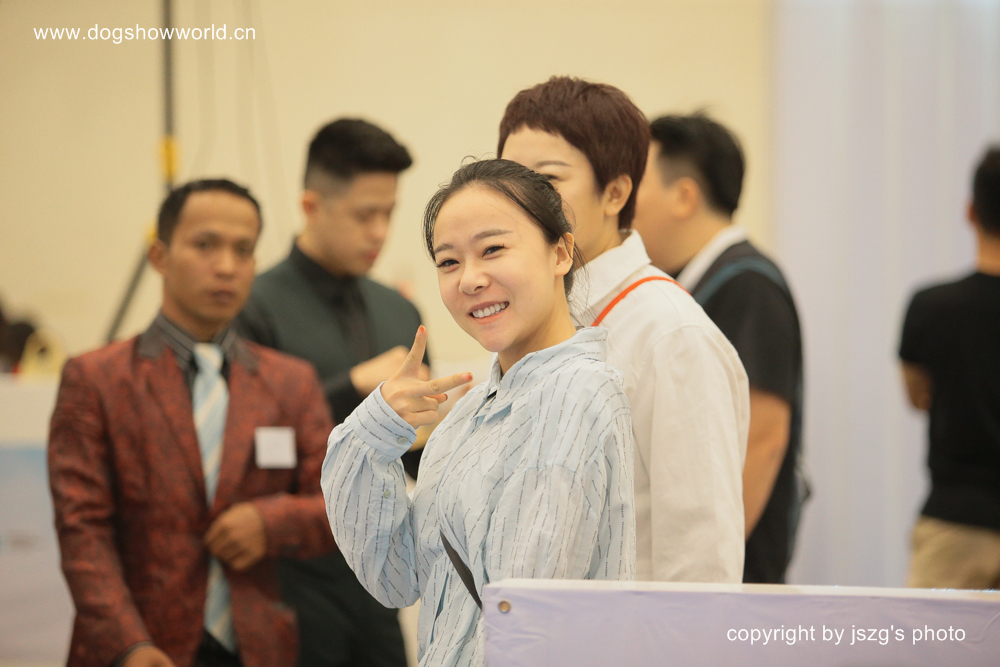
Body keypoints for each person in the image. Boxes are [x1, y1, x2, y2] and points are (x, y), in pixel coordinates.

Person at [322, 159, 636, 667]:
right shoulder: (471, 412)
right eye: (448, 262)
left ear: (560, 252)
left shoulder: (575, 393)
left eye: (493, 250)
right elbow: (397, 577)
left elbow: (526, 618)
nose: (469, 279)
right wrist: (373, 429)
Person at [48, 179, 336, 667]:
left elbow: (337, 507)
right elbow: (82, 531)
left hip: (256, 645)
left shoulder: (291, 382)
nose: (226, 266)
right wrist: (128, 645)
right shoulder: (97, 379)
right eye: (205, 245)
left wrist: (270, 522)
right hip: (135, 644)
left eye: (243, 250)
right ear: (159, 256)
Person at [498, 77, 749, 583]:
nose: (520, 201)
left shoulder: (670, 335)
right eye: (507, 180)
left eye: (547, 180)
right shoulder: (530, 314)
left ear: (615, 192)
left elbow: (702, 557)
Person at [237, 119, 418, 667]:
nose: (380, 231)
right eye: (365, 214)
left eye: (389, 213)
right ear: (311, 207)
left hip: (380, 576)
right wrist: (354, 391)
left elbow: (415, 458)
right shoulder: (254, 307)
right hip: (289, 578)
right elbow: (248, 448)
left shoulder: (399, 311)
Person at [633, 113, 806, 584]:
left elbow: (764, 438)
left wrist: (706, 576)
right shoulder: (694, 283)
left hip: (730, 584)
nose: (623, 203)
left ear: (684, 196)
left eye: (636, 183)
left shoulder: (748, 284)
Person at [899, 145, 1000, 589]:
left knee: (930, 633)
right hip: (955, 514)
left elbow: (917, 397)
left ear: (970, 211)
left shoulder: (930, 307)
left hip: (954, 521)